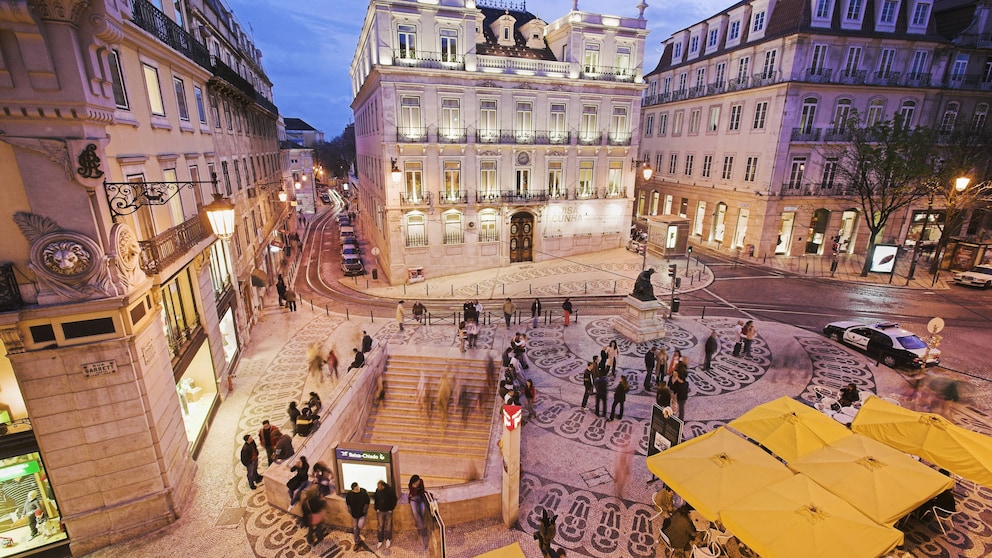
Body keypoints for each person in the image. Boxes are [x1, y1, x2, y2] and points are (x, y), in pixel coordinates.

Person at [345, 482, 370, 547]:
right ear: (353, 490)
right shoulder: (349, 495)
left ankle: (357, 534)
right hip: (354, 514)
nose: (358, 489)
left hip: (362, 514)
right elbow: (348, 503)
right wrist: (349, 510)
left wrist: (365, 510)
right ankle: (356, 541)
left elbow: (367, 501)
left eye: (358, 487)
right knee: (355, 527)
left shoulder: (363, 492)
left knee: (360, 526)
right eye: (356, 489)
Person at [374, 480, 397, 549]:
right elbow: (376, 499)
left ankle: (388, 539)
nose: (378, 488)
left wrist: (391, 509)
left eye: (379, 486)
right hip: (380, 511)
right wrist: (376, 508)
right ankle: (380, 539)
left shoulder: (390, 491)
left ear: (383, 486)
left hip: (388, 511)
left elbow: (394, 500)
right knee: (380, 525)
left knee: (389, 525)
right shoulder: (377, 491)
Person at [408, 475, 428, 548]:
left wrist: (417, 489)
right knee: (415, 512)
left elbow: (422, 491)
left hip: (420, 498)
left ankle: (422, 526)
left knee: (422, 510)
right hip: (413, 498)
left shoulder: (421, 482)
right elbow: (413, 494)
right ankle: (421, 528)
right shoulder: (411, 485)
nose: (418, 482)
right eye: (417, 481)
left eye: (419, 481)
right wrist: (414, 487)